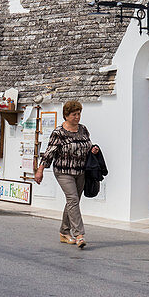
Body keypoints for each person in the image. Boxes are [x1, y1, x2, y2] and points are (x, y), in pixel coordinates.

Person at [34, 101, 101, 248]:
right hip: (64, 171)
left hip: (81, 171)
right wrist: (40, 170)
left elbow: (87, 145)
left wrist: (93, 150)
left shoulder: (83, 129)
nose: (77, 117)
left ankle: (64, 232)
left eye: (79, 114)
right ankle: (79, 235)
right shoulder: (59, 133)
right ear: (66, 115)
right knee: (72, 199)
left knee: (73, 202)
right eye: (74, 114)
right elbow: (49, 152)